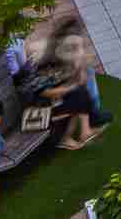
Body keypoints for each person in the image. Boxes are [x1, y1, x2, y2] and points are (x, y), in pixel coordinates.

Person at [30, 16, 109, 148]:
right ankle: (64, 139)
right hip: (43, 108)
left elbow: (77, 77)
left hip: (57, 99)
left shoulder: (63, 56)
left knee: (81, 91)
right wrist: (68, 89)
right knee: (78, 95)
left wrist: (79, 69)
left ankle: (86, 130)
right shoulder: (47, 62)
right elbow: (43, 92)